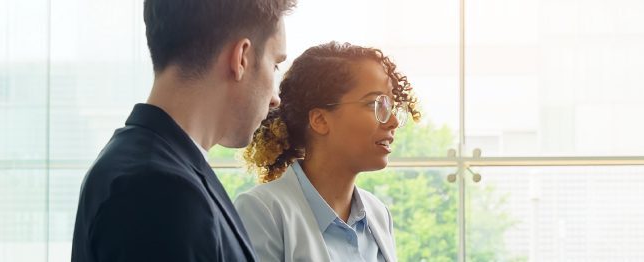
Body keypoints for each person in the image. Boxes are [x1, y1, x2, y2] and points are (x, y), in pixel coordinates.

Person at [69, 0, 295, 260]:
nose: (275, 99)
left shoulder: (147, 166)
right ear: (241, 57)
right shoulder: (161, 191)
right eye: (275, 65)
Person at [235, 41, 420, 262]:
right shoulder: (261, 211)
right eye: (374, 104)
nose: (393, 122)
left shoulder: (379, 214)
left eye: (390, 106)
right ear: (320, 120)